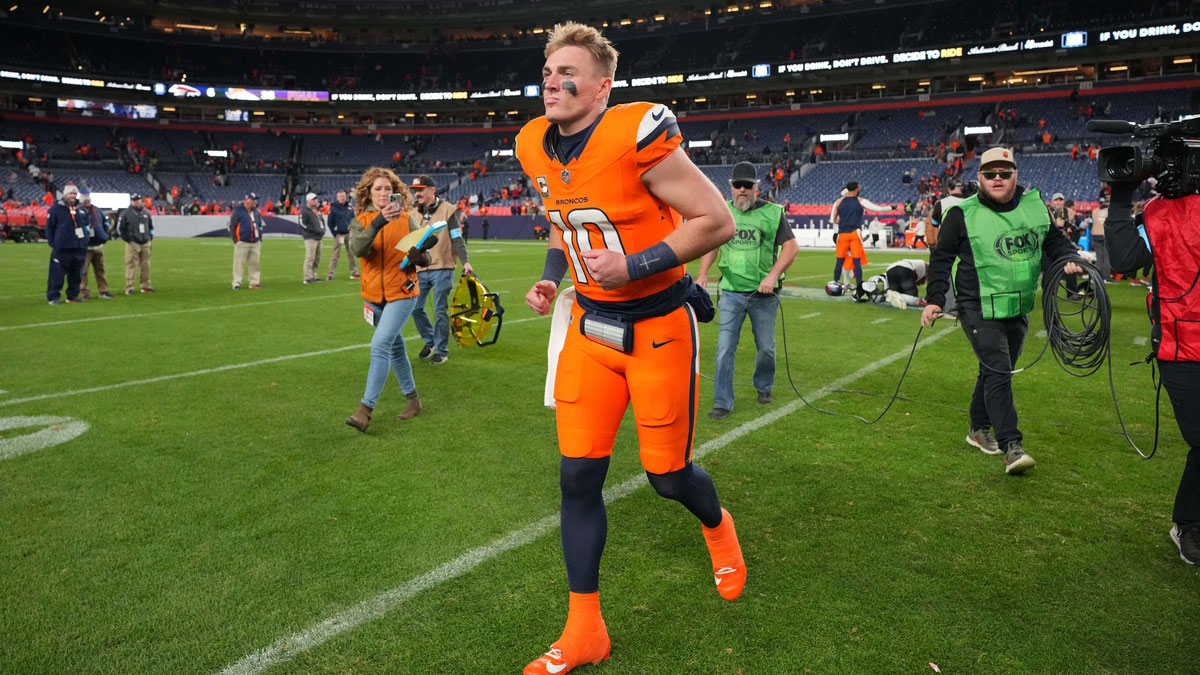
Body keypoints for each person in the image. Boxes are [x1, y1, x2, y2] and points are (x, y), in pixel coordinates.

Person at [517, 22, 745, 675]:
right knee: (576, 478)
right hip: (590, 330)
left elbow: (716, 220)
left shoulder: (635, 133)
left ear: (602, 86)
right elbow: (569, 221)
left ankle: (717, 525)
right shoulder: (535, 143)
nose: (552, 81)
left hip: (657, 327)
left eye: (567, 72)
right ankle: (585, 628)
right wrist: (552, 275)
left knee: (668, 477)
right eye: (546, 69)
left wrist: (636, 262)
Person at [921, 147, 1082, 475]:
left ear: (1015, 176)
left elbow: (1054, 242)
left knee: (993, 371)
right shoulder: (961, 213)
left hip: (1018, 306)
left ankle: (977, 429)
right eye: (990, 173)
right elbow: (941, 258)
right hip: (977, 306)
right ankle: (1012, 446)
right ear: (979, 177)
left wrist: (1069, 259)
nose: (997, 178)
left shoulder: (1035, 207)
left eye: (1004, 173)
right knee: (998, 370)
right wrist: (936, 298)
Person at [1105, 179, 1200, 565]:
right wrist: (1120, 198)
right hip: (1181, 347)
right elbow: (1125, 261)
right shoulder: (1160, 211)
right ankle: (1188, 523)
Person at [696, 161, 798, 419]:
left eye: (747, 186)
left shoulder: (774, 213)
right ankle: (722, 402)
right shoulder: (723, 212)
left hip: (764, 296)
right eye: (737, 185)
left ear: (756, 187)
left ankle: (764, 386)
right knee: (724, 349)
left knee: (766, 348)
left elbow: (791, 248)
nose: (742, 190)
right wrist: (702, 275)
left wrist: (773, 275)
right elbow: (712, 245)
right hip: (731, 292)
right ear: (730, 187)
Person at [344, 167, 427, 431]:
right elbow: (358, 249)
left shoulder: (406, 219)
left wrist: (422, 257)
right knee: (395, 348)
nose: (383, 193)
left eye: (387, 189)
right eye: (378, 189)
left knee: (380, 345)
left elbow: (426, 253)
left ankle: (365, 410)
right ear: (368, 192)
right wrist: (379, 221)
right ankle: (413, 401)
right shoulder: (361, 220)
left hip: (402, 291)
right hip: (373, 297)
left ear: (395, 192)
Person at [407, 175, 473, 364]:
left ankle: (441, 349)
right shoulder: (413, 213)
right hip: (420, 269)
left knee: (439, 309)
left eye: (420, 189)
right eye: (415, 190)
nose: (417, 193)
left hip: (443, 267)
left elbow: (456, 238)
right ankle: (430, 341)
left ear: (432, 190)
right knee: (415, 308)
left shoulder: (448, 210)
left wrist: (465, 261)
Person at [830, 182, 888, 294]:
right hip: (853, 233)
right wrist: (892, 207)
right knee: (856, 261)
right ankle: (858, 286)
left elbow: (834, 219)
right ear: (855, 189)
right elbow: (878, 209)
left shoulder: (838, 202)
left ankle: (836, 284)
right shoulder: (859, 201)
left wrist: (844, 222)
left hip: (841, 234)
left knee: (840, 261)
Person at [44, 183, 90, 305]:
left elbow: (86, 226)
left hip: (79, 247)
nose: (73, 196)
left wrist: (85, 242)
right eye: (70, 193)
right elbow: (49, 227)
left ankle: (72, 296)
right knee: (57, 274)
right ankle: (53, 297)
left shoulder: (81, 209)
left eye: (75, 194)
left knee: (76, 274)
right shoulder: (56, 209)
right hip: (62, 247)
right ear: (65, 194)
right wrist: (53, 243)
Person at [78, 189, 114, 300]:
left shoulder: (97, 210)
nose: (87, 201)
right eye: (85, 199)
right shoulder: (78, 211)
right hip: (85, 247)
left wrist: (104, 233)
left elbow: (104, 222)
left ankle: (103, 290)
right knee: (83, 271)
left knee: (100, 269)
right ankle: (84, 292)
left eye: (88, 199)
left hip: (98, 245)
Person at [117, 192, 155, 294]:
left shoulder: (146, 212)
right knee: (131, 264)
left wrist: (150, 238)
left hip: (145, 241)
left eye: (137, 199)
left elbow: (151, 226)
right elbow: (120, 229)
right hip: (133, 242)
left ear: (141, 200)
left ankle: (145, 285)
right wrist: (128, 240)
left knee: (145, 265)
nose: (136, 202)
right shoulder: (125, 213)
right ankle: (129, 287)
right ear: (131, 201)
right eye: (134, 200)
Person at [230, 192, 265, 290]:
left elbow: (260, 225)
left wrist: (260, 238)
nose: (255, 202)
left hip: (255, 242)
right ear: (247, 200)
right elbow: (232, 225)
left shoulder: (256, 212)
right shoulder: (238, 211)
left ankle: (254, 282)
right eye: (253, 199)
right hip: (242, 241)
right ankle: (236, 283)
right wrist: (235, 240)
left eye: (255, 200)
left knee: (255, 263)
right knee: (239, 263)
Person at [326, 189, 360, 280]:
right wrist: (335, 234)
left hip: (349, 234)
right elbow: (330, 222)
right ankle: (330, 274)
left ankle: (354, 273)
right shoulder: (333, 207)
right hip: (339, 234)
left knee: (351, 254)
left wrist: (353, 231)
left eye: (344, 196)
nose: (342, 198)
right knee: (336, 255)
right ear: (337, 197)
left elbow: (353, 219)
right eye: (341, 196)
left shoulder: (349, 206)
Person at [927, 177, 965, 251]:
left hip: (946, 242)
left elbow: (934, 223)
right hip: (965, 242)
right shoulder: (969, 202)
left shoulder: (940, 203)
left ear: (949, 188)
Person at [299, 192, 325, 284]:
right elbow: (302, 223)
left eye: (316, 199)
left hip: (318, 237)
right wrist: (313, 230)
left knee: (317, 258)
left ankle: (314, 275)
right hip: (310, 237)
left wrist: (323, 231)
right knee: (310, 258)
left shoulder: (317, 211)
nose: (315, 201)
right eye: (313, 199)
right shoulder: (304, 211)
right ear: (308, 201)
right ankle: (307, 277)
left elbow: (322, 222)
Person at [1088, 198, 1113, 284]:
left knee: (1099, 257)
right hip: (1106, 235)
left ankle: (1097, 276)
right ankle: (1106, 277)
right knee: (1107, 257)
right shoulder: (1110, 211)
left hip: (1096, 235)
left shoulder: (1094, 211)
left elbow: (1090, 224)